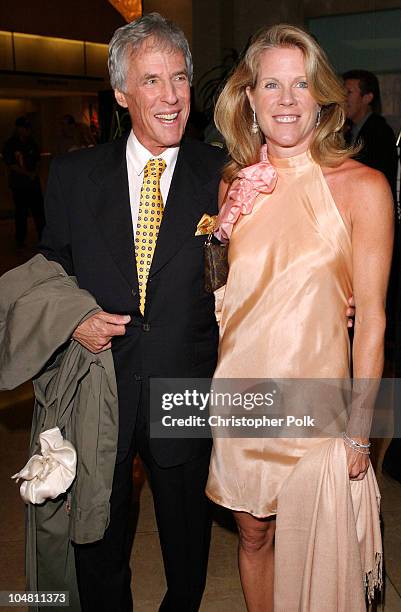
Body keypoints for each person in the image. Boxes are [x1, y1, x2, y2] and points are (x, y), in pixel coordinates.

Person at [39, 13, 224, 612]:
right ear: (120, 93)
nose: (171, 97)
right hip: (101, 388)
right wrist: (72, 317)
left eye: (180, 79)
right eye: (151, 81)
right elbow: (50, 266)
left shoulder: (223, 176)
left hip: (187, 384)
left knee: (188, 541)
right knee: (98, 535)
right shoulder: (71, 176)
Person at [205, 25, 393, 611]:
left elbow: (375, 321)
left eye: (301, 84)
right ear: (251, 101)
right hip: (242, 393)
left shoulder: (364, 187)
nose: (287, 98)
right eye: (271, 85)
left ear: (323, 99)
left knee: (320, 548)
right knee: (254, 535)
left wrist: (360, 426)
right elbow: (226, 284)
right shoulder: (235, 183)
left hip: (318, 403)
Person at [343, 69, 398, 202]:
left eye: (349, 92)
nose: (343, 98)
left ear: (367, 97)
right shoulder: (349, 132)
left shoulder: (380, 133)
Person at [2, 116, 45, 247]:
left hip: (33, 184)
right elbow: (11, 164)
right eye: (25, 128)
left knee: (39, 212)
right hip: (19, 185)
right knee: (21, 213)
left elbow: (37, 160)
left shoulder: (32, 142)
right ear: (19, 129)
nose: (27, 131)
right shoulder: (10, 144)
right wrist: (28, 174)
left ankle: (43, 238)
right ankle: (20, 240)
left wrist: (34, 173)